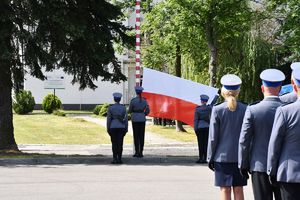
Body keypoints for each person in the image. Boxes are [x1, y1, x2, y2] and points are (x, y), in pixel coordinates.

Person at [239, 69, 285, 200]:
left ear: (262, 88)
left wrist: (243, 164)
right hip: (282, 166)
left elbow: (244, 140)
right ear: (280, 88)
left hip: (259, 165)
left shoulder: (253, 110)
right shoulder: (288, 109)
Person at [207, 74, 247, 200]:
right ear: (238, 91)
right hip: (240, 156)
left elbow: (213, 137)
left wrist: (210, 157)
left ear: (223, 91)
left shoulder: (217, 109)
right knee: (239, 189)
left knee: (225, 189)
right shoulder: (246, 108)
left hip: (222, 157)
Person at [267, 68, 300, 200]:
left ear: (293, 85)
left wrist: (271, 170)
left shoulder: (285, 111)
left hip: (289, 173)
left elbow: (275, 144)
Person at [128, 86, 150, 158]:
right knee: (141, 136)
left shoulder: (133, 101)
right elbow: (147, 110)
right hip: (142, 118)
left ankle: (137, 151)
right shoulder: (144, 100)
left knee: (136, 136)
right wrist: (144, 114)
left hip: (135, 119)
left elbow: (130, 110)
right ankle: (141, 152)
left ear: (136, 92)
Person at [106, 92, 128, 164]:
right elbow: (126, 119)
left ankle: (114, 158)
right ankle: (120, 159)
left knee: (114, 143)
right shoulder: (123, 108)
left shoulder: (111, 108)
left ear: (114, 99)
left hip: (113, 127)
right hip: (121, 127)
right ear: (120, 99)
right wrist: (126, 128)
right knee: (120, 143)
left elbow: (109, 119)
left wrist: (108, 128)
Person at [194, 94, 212, 164]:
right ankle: (206, 158)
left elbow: (196, 120)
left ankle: (201, 158)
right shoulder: (209, 108)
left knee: (200, 143)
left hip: (200, 128)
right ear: (206, 101)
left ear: (201, 101)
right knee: (206, 143)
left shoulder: (198, 109)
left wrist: (195, 129)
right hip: (207, 127)